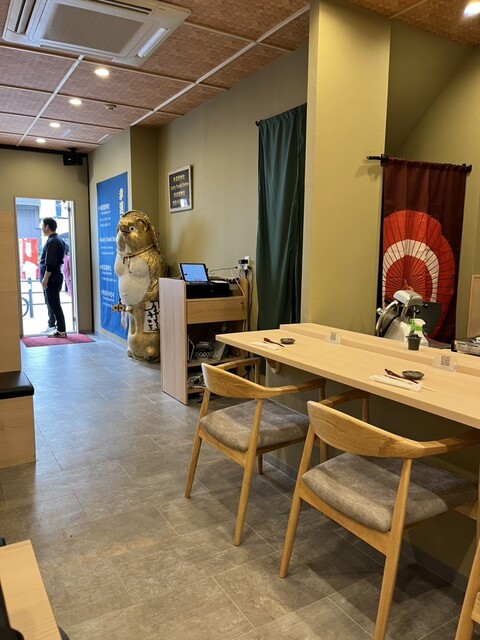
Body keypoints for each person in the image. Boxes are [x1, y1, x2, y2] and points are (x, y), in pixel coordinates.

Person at [39, 217, 67, 337]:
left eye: (42, 226)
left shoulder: (53, 241)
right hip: (54, 278)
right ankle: (54, 326)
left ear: (47, 227)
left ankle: (61, 330)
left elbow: (50, 263)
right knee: (51, 303)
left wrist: (45, 278)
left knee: (54, 304)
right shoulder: (56, 240)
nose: (41, 228)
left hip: (52, 278)